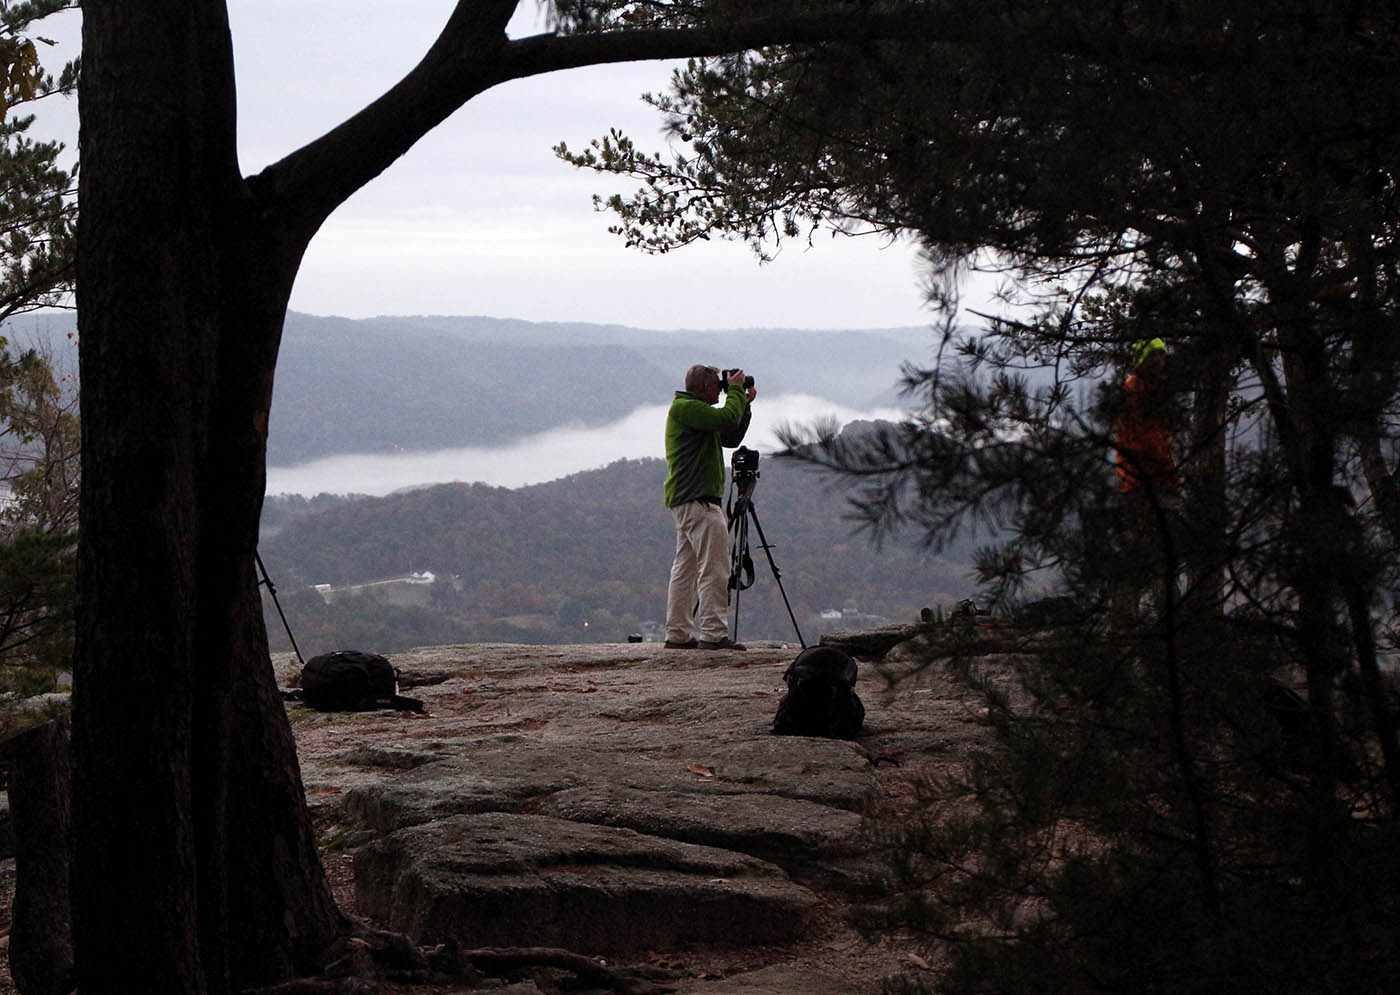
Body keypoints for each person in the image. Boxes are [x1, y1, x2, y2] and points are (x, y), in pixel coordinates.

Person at [663, 365, 756, 650]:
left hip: (689, 500)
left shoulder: (694, 413)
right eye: (717, 385)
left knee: (686, 568)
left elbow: (730, 435)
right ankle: (714, 634)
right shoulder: (687, 408)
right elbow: (726, 418)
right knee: (715, 568)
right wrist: (736, 391)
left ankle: (678, 633)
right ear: (703, 388)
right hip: (700, 501)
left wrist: (745, 405)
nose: (720, 388)